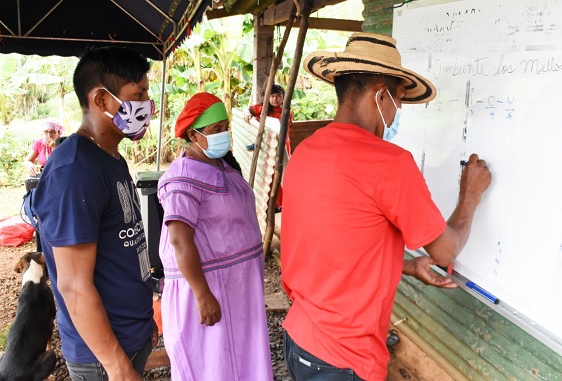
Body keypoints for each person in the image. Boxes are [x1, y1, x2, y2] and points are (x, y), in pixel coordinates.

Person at [281, 32, 492, 381]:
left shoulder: (306, 152)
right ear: (380, 94)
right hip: (343, 359)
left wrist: (405, 267)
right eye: (398, 100)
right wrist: (469, 196)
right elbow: (445, 251)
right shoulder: (388, 163)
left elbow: (335, 244)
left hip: (300, 339)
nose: (395, 115)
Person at [32, 46, 158, 381]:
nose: (148, 104)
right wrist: (117, 366)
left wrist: (144, 326)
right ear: (101, 100)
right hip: (102, 359)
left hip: (129, 337)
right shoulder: (75, 171)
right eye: (139, 94)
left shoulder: (109, 156)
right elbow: (74, 286)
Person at [157, 92, 274, 380]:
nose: (224, 135)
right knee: (213, 364)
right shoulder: (182, 177)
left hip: (236, 286)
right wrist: (202, 295)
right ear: (194, 135)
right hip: (209, 288)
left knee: (242, 357)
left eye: (225, 127)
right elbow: (179, 240)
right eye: (215, 130)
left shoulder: (221, 165)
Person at [244, 83, 293, 211]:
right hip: (269, 146)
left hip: (283, 146)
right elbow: (248, 110)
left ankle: (283, 203)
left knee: (282, 173)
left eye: (278, 96)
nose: (275, 99)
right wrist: (247, 114)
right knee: (270, 174)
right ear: (268, 97)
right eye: (272, 96)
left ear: (283, 97)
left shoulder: (287, 112)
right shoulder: (263, 109)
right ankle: (273, 204)